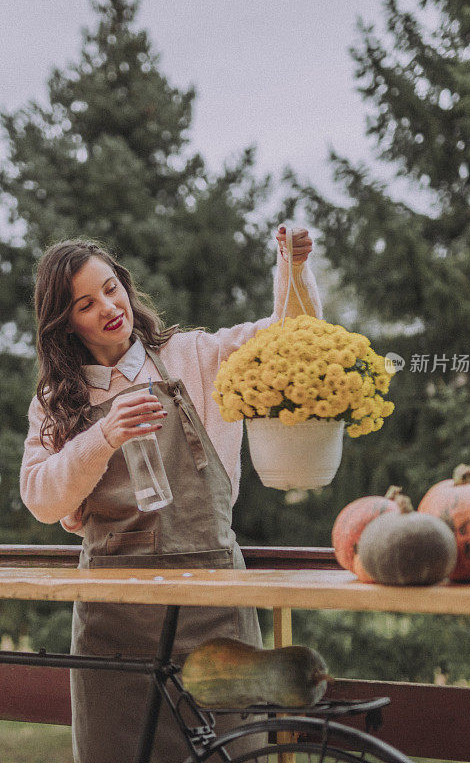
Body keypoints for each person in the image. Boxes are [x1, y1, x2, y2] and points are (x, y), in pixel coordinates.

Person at [20, 226, 322, 763]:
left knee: (232, 752)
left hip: (213, 604)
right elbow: (41, 498)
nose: (109, 308)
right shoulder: (56, 402)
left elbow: (286, 339)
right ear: (65, 322)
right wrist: (103, 435)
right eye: (86, 304)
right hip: (114, 616)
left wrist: (292, 269)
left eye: (112, 289)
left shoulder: (192, 356)